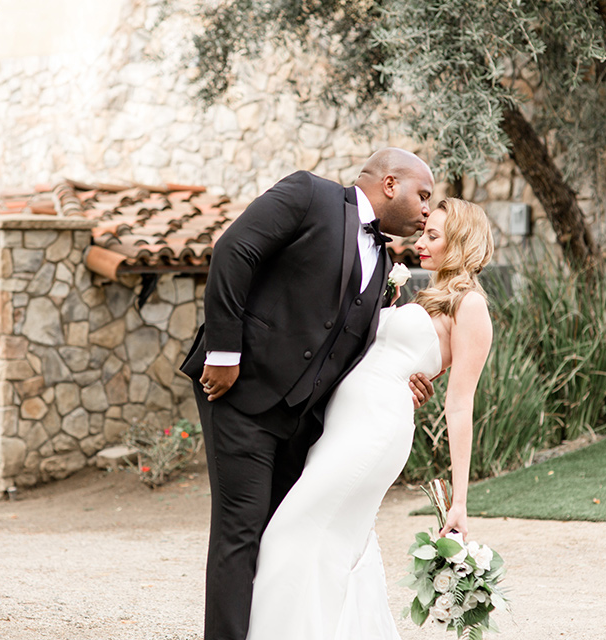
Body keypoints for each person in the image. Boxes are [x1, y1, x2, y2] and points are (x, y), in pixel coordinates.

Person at [180, 148, 437, 640]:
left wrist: (401, 376)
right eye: (422, 195)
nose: (427, 209)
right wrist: (224, 353)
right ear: (389, 183)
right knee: (242, 531)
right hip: (241, 394)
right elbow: (235, 251)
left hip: (303, 422)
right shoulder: (308, 195)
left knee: (284, 537)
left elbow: (351, 345)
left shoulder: (384, 262)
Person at [246, 197, 495, 640]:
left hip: (374, 431)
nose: (421, 242)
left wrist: (459, 501)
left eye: (433, 236)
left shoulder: (470, 306)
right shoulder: (426, 296)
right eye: (424, 233)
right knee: (329, 544)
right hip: (342, 427)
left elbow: (460, 404)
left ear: (461, 242)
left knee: (290, 532)